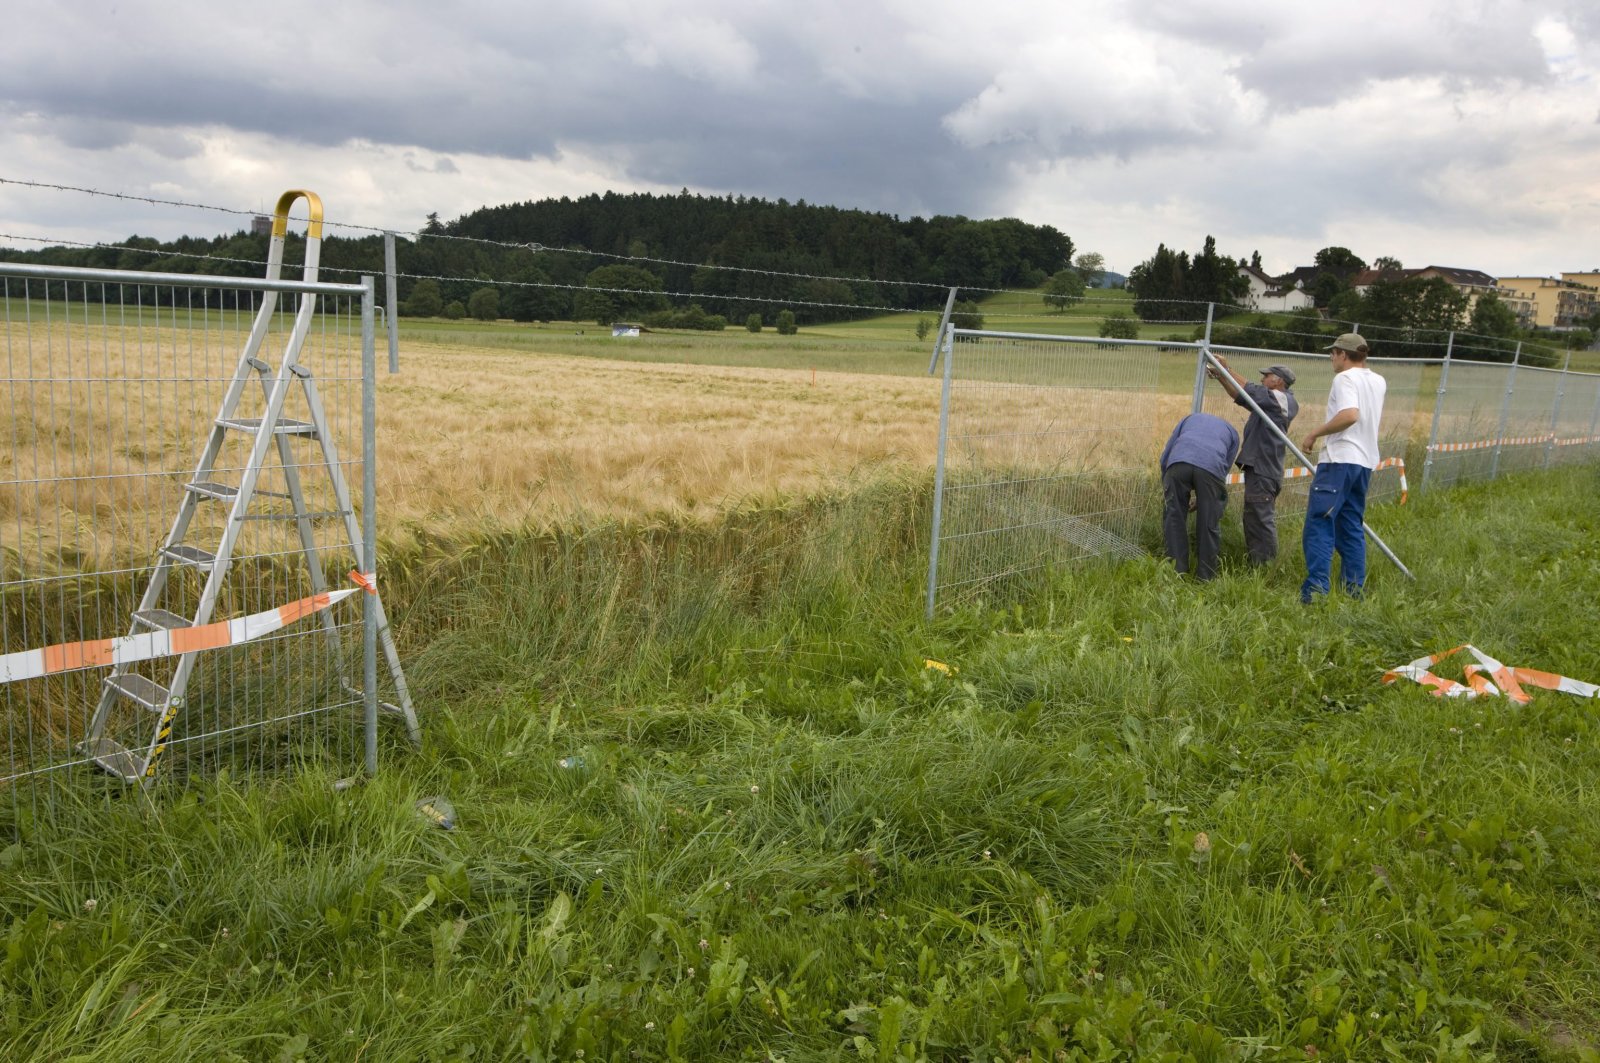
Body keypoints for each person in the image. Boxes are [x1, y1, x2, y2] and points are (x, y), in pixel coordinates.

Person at [1299, 332, 1386, 602]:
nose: (1331, 358)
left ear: (1344, 355)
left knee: (1320, 522)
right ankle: (1353, 591)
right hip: (1364, 462)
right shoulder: (1378, 380)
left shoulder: (1344, 378)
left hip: (1339, 460)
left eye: (1333, 353)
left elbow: (1349, 415)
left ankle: (1316, 592)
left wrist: (1315, 433)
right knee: (1350, 526)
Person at [1206, 356, 1299, 564]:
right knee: (1253, 518)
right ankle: (1258, 564)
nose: (1263, 379)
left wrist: (1226, 367)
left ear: (1278, 381)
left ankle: (1265, 567)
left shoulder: (1281, 399)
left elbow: (1249, 388)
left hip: (1264, 469)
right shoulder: (1270, 402)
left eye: (1266, 376)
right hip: (1260, 468)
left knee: (1260, 519)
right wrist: (1222, 376)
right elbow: (1241, 395)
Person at [1159, 411, 1240, 581]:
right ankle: (1206, 577)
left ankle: (1176, 572)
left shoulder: (1188, 419)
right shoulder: (1233, 433)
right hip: (1211, 468)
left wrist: (1166, 484)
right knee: (1209, 522)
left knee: (1174, 518)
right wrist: (1207, 497)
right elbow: (1224, 467)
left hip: (1178, 463)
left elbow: (1167, 453)